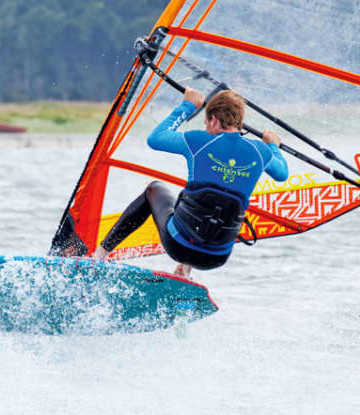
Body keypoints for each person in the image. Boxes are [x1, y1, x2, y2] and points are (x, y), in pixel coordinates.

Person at [92, 87, 289, 278]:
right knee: (202, 200)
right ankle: (184, 270)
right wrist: (273, 145)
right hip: (217, 258)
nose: (206, 128)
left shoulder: (199, 141)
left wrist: (187, 106)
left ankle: (99, 255)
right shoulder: (260, 151)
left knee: (155, 189)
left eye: (206, 123)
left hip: (177, 246)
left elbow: (155, 139)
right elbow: (282, 174)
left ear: (213, 120)